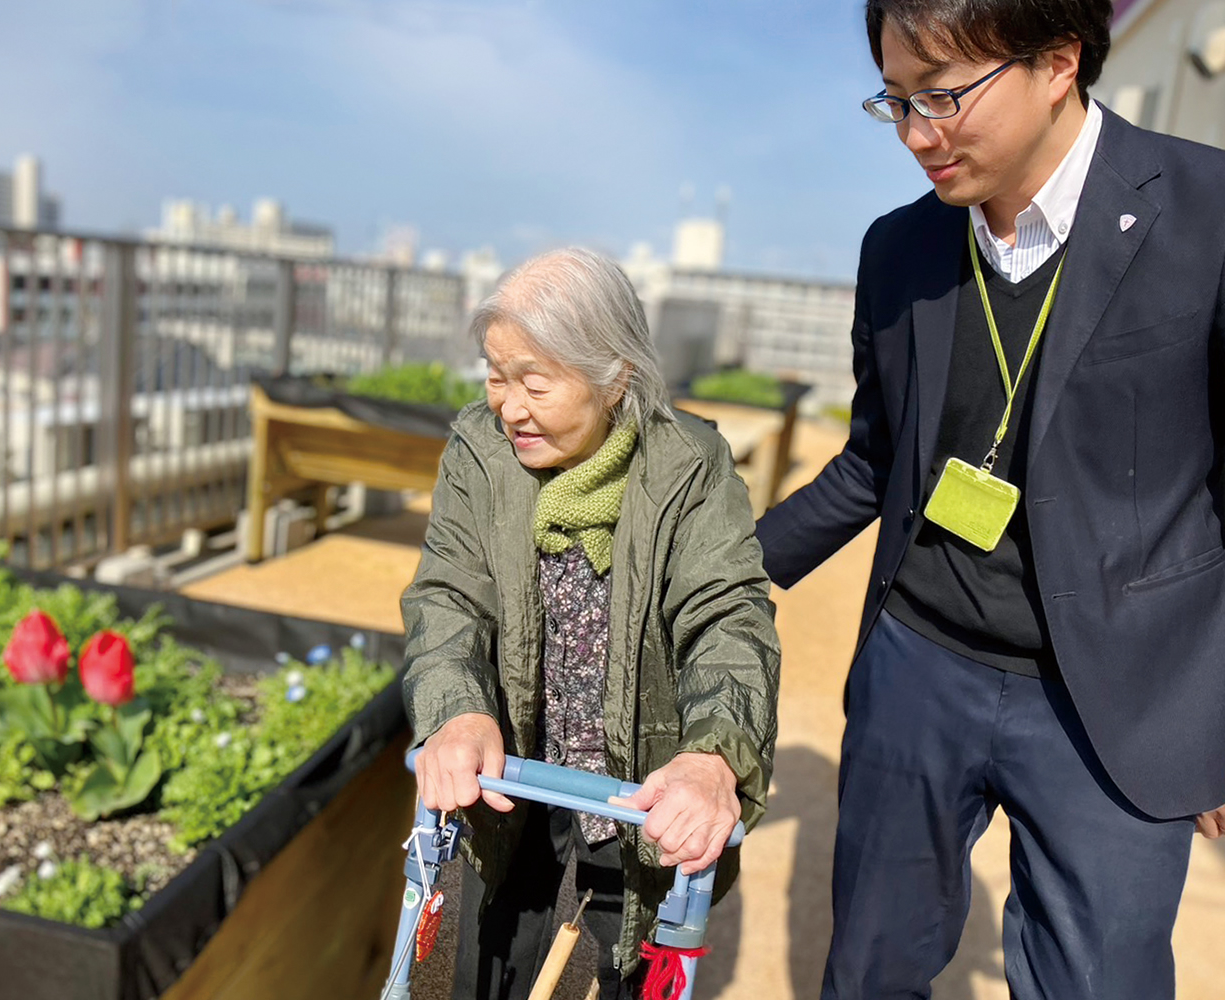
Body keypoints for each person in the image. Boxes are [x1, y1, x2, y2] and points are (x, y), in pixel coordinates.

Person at [757, 1, 1225, 996]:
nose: (915, 134)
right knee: (869, 972)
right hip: (916, 669)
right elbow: (875, 460)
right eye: (895, 102)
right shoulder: (898, 249)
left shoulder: (1208, 213)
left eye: (940, 97)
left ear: (1056, 62)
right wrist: (723, 567)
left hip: (1123, 699)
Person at [401, 247, 780, 1000]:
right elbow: (449, 596)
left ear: (616, 378)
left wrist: (712, 759)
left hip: (637, 779)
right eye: (496, 375)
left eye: (534, 382)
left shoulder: (688, 466)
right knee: (494, 956)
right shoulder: (480, 451)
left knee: (622, 959)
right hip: (513, 764)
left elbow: (727, 619)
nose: (510, 407)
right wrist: (458, 711)